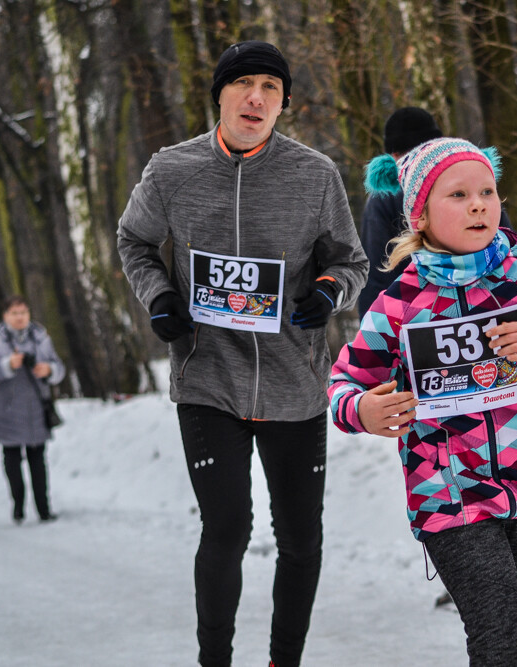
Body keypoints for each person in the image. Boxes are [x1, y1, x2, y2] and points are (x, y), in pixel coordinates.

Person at [117, 41, 367, 667]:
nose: (257, 98)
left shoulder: (315, 175)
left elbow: (351, 261)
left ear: (283, 103)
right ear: (221, 94)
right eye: (244, 84)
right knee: (226, 529)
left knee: (301, 541)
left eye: (271, 88)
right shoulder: (171, 170)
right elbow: (135, 240)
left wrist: (331, 293)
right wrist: (160, 297)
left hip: (295, 382)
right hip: (208, 376)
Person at [329, 137, 517, 666]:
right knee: (500, 637)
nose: (479, 203)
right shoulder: (399, 305)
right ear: (422, 216)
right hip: (449, 498)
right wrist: (362, 410)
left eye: (487, 191)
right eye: (458, 194)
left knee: (514, 644)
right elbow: (344, 383)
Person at [357, 107, 511, 317]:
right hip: (494, 306)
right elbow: (505, 238)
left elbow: (375, 273)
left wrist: (375, 321)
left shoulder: (382, 200)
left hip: (417, 315)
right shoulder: (470, 175)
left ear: (393, 156)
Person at [0, 295, 65, 525]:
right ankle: (18, 504)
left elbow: (60, 369)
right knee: (12, 462)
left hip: (37, 409)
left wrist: (49, 370)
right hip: (7, 412)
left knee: (39, 462)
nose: (20, 317)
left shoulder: (41, 339)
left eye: (23, 312)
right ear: (5, 316)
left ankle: (44, 510)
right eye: (14, 313)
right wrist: (7, 365)